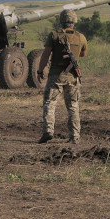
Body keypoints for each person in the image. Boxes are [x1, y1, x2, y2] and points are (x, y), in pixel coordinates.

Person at [37, 9, 87, 144]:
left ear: (61, 21)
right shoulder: (80, 37)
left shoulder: (54, 35)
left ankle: (48, 131)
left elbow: (46, 54)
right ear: (74, 21)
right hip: (72, 76)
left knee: (50, 103)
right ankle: (75, 136)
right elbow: (83, 54)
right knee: (73, 106)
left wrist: (40, 70)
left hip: (56, 76)